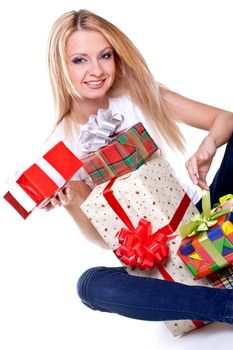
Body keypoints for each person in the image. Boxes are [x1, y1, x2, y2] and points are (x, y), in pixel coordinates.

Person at [45, 9, 233, 324]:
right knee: (90, 285)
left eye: (104, 55)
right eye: (80, 60)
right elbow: (105, 239)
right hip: (155, 259)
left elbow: (225, 119)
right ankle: (224, 305)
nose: (96, 70)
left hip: (201, 221)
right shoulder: (62, 148)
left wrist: (208, 145)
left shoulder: (136, 95)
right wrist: (72, 202)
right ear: (60, 66)